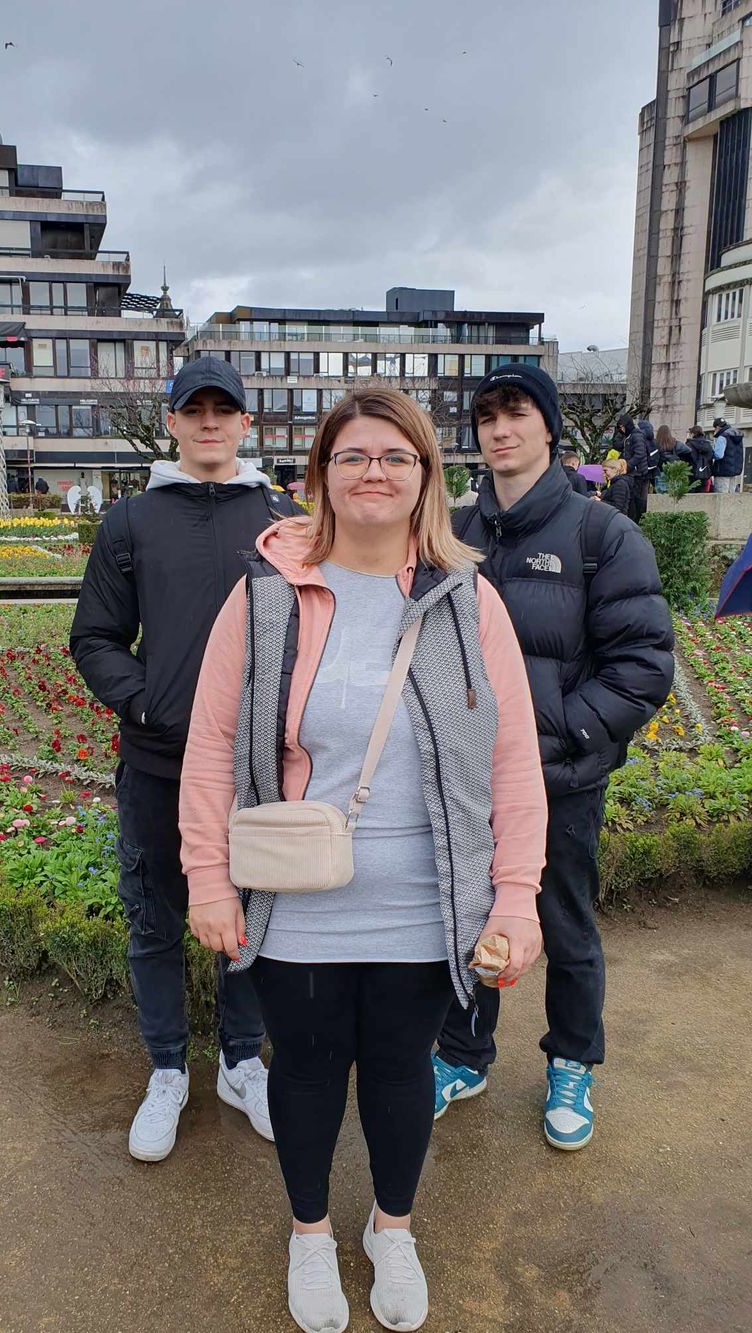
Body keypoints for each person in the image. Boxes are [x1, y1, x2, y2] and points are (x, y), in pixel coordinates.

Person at [180, 386, 548, 1333]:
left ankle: (393, 1226)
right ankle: (310, 1234)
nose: (373, 472)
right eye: (352, 456)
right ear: (321, 475)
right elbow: (211, 747)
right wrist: (209, 879)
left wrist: (516, 897)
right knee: (304, 1071)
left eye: (395, 456)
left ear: (425, 475)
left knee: (398, 1070)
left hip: (427, 901)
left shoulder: (469, 601)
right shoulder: (263, 597)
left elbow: (511, 759)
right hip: (297, 895)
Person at [435, 363, 673, 1153]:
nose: (501, 429)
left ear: (548, 428)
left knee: (565, 926)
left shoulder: (601, 535)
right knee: (468, 920)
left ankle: (571, 1062)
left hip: (559, 780)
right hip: (466, 782)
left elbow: (644, 664)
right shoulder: (452, 532)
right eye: (487, 417)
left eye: (517, 414)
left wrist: (563, 731)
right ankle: (462, 1053)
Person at [69, 358, 299, 1163]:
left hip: (257, 769)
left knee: (252, 919)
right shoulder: (132, 521)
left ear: (245, 423)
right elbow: (95, 637)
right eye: (193, 409)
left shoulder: (284, 521)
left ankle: (241, 1060)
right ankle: (168, 1068)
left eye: (222, 409)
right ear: (171, 422)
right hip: (159, 763)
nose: (208, 422)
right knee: (154, 920)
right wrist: (148, 705)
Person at [612, 412, 649, 521]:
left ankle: (637, 520)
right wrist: (617, 433)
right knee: (632, 500)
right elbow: (617, 446)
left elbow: (639, 454)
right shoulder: (628, 437)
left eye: (622, 427)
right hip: (632, 472)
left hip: (637, 473)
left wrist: (627, 466)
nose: (621, 430)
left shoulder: (636, 436)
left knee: (637, 501)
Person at [711, 417, 745, 493]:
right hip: (735, 471)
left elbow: (719, 455)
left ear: (717, 427)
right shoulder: (737, 436)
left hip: (722, 471)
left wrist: (711, 454)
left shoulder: (722, 437)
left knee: (721, 496)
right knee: (731, 495)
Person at [680, 426, 715, 492]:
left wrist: (687, 441)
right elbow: (711, 457)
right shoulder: (708, 444)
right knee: (703, 493)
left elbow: (684, 458)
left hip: (692, 474)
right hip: (705, 474)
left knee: (691, 493)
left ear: (693, 434)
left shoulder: (689, 444)